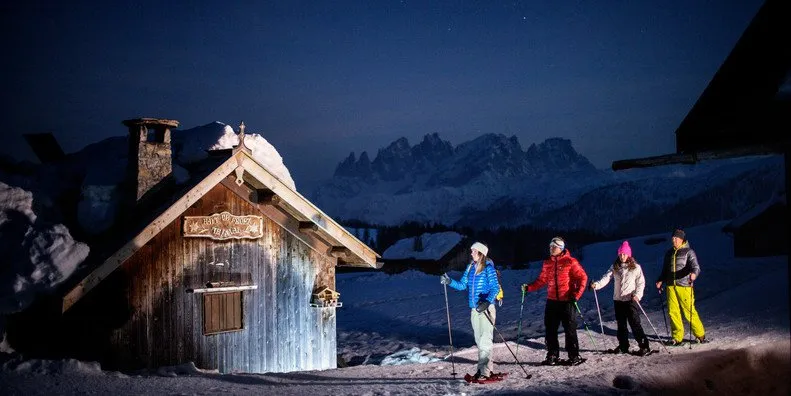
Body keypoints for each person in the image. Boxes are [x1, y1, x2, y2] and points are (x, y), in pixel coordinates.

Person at [521, 237, 588, 366]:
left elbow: (583, 277)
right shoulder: (548, 263)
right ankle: (552, 355)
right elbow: (542, 280)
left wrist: (576, 295)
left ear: (561, 248)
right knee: (550, 329)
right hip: (552, 301)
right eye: (550, 246)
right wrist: (529, 287)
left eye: (554, 246)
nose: (551, 248)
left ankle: (574, 355)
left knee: (570, 329)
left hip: (567, 301)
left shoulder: (570, 262)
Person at [440, 242, 501, 380]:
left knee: (485, 341)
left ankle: (484, 372)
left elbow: (495, 288)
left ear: (481, 253)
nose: (471, 253)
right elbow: (462, 285)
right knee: (479, 341)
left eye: (474, 251)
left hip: (486, 309)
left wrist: (486, 302)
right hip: (474, 309)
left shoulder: (488, 268)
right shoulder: (470, 268)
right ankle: (485, 370)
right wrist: (449, 281)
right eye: (471, 251)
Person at [590, 241, 651, 356]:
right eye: (620, 254)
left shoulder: (636, 267)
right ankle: (623, 346)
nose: (622, 256)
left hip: (630, 299)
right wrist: (596, 285)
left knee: (635, 323)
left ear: (629, 254)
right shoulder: (615, 267)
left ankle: (644, 346)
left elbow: (641, 283)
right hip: (618, 300)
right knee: (621, 324)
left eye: (624, 254)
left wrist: (638, 295)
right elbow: (606, 278)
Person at [655, 229, 706, 346]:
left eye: (676, 238)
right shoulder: (669, 253)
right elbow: (665, 270)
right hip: (670, 286)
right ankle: (677, 337)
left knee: (689, 311)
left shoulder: (689, 252)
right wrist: (660, 280)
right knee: (673, 312)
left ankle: (700, 335)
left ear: (682, 239)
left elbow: (696, 267)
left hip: (684, 285)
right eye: (673, 238)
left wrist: (693, 274)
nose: (673, 240)